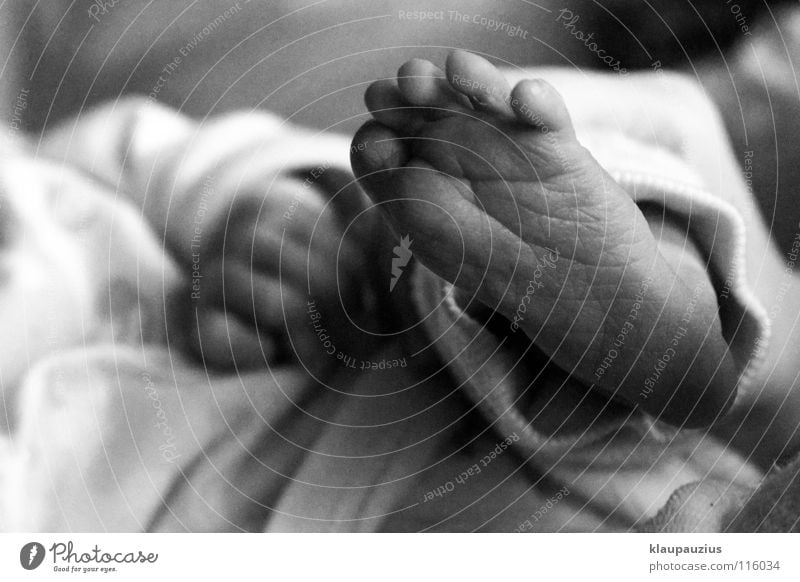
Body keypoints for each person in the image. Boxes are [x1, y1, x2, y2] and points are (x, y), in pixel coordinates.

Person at [1, 41, 799, 531]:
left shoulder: (28, 184)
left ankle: (662, 298)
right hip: (245, 514)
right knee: (625, 477)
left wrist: (272, 203)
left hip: (371, 352)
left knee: (430, 239)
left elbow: (143, 147)